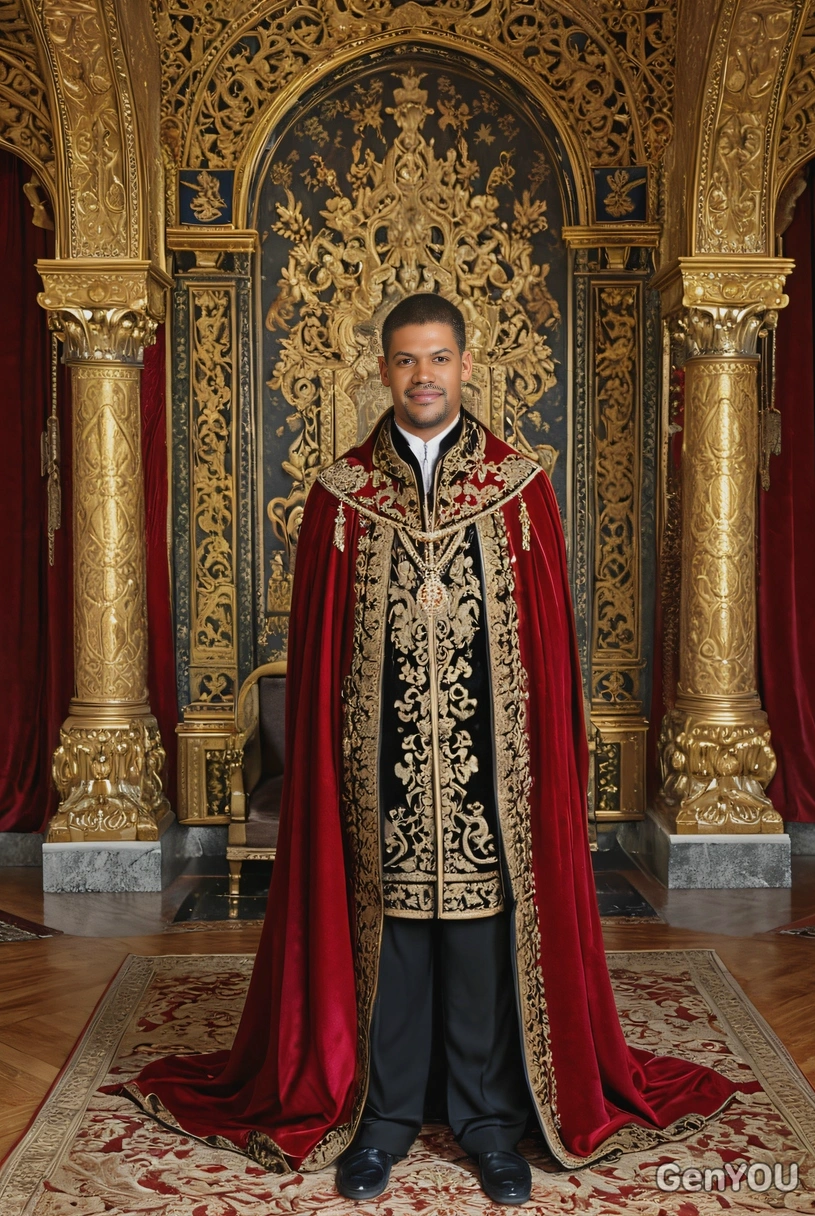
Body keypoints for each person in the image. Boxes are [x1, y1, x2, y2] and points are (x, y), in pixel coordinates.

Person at [125, 293, 737, 1206]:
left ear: (465, 365)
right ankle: (383, 1122)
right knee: (394, 940)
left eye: (439, 359)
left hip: (496, 774)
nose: (424, 377)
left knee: (487, 942)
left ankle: (491, 1126)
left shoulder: (521, 488)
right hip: (378, 778)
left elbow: (547, 648)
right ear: (383, 371)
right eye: (408, 361)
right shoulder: (339, 499)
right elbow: (324, 654)